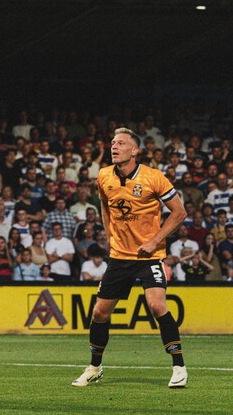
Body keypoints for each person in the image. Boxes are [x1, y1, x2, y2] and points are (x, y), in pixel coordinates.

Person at [73, 128, 187, 389]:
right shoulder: (104, 175)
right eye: (113, 142)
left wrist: (155, 241)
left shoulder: (153, 177)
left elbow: (179, 213)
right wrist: (109, 232)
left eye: (121, 143)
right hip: (119, 256)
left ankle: (179, 367)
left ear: (134, 150)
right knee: (100, 313)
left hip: (150, 255)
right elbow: (104, 203)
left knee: (157, 306)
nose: (114, 146)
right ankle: (94, 367)